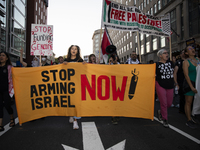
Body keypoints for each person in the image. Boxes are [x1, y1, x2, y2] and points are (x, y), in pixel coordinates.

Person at [64, 45, 84, 129]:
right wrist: (63, 65)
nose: (74, 50)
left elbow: (83, 71)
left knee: (76, 102)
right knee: (70, 101)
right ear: (70, 50)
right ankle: (71, 115)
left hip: (77, 84)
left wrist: (84, 65)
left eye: (75, 49)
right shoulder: (66, 60)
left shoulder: (80, 60)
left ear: (77, 51)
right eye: (72, 49)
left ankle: (75, 121)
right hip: (68, 84)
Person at [156, 49, 174, 128]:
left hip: (170, 84)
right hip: (160, 84)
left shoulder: (171, 63)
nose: (167, 54)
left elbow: (174, 73)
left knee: (169, 103)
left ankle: (161, 112)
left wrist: (176, 83)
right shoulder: (156, 64)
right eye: (165, 53)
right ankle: (165, 119)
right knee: (164, 103)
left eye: (167, 53)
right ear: (160, 56)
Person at [183, 46, 200, 129]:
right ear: (186, 53)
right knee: (188, 102)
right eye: (189, 49)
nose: (192, 49)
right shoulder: (186, 62)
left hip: (198, 84)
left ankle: (195, 115)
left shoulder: (198, 60)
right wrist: (191, 87)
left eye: (193, 48)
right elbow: (186, 75)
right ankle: (189, 120)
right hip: (190, 84)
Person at [0, 51, 15, 131]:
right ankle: (0, 125)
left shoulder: (10, 67)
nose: (1, 57)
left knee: (7, 105)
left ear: (6, 58)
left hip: (7, 90)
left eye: (3, 55)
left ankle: (12, 118)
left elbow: (15, 77)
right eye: (0, 55)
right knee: (0, 107)